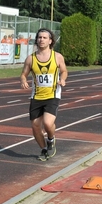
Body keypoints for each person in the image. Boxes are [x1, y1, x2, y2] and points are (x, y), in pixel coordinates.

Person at [20, 28, 68, 161]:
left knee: (47, 123)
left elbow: (64, 71)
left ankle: (51, 139)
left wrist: (62, 79)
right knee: (35, 125)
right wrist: (23, 81)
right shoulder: (31, 59)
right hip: (36, 96)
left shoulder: (57, 57)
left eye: (44, 38)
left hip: (52, 95)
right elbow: (23, 74)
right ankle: (44, 149)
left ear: (50, 41)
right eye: (39, 37)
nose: (41, 40)